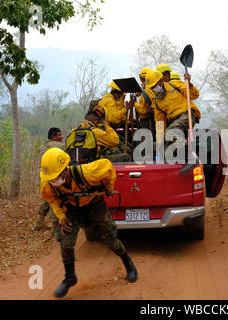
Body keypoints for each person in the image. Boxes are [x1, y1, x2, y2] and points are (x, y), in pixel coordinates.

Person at [40, 148, 138, 298]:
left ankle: (128, 263)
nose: (55, 181)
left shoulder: (87, 172)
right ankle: (70, 277)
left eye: (57, 176)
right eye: (51, 178)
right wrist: (61, 216)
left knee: (109, 238)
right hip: (71, 208)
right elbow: (51, 199)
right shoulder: (47, 184)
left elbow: (108, 166)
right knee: (65, 242)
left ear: (65, 169)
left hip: (94, 204)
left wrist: (109, 187)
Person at [144, 68, 201, 144]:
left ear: (161, 80)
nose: (154, 88)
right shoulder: (157, 103)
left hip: (187, 115)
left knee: (171, 132)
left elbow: (195, 95)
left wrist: (189, 85)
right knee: (167, 144)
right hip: (174, 122)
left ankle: (185, 148)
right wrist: (160, 142)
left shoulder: (174, 84)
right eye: (152, 87)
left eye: (155, 85)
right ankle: (182, 153)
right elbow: (160, 124)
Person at [34, 127, 64, 232]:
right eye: (59, 135)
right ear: (53, 137)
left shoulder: (43, 146)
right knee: (54, 200)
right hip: (53, 178)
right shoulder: (59, 146)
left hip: (42, 177)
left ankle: (39, 222)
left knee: (47, 199)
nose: (61, 137)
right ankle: (55, 228)